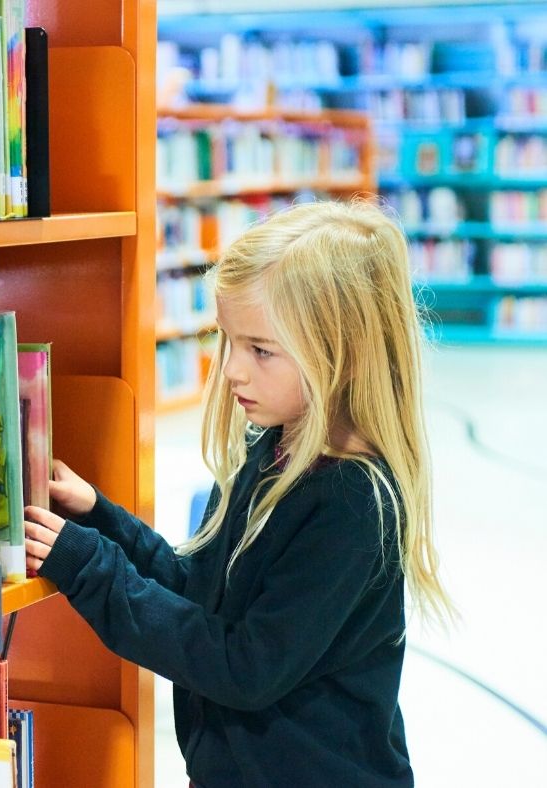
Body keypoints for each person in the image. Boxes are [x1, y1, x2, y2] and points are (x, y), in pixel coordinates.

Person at [23, 200, 453, 787]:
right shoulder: (276, 448)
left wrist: (90, 569)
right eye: (227, 341)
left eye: (260, 349)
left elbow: (244, 665)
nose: (231, 370)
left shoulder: (353, 503)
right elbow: (200, 594)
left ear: (343, 353)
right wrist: (100, 520)